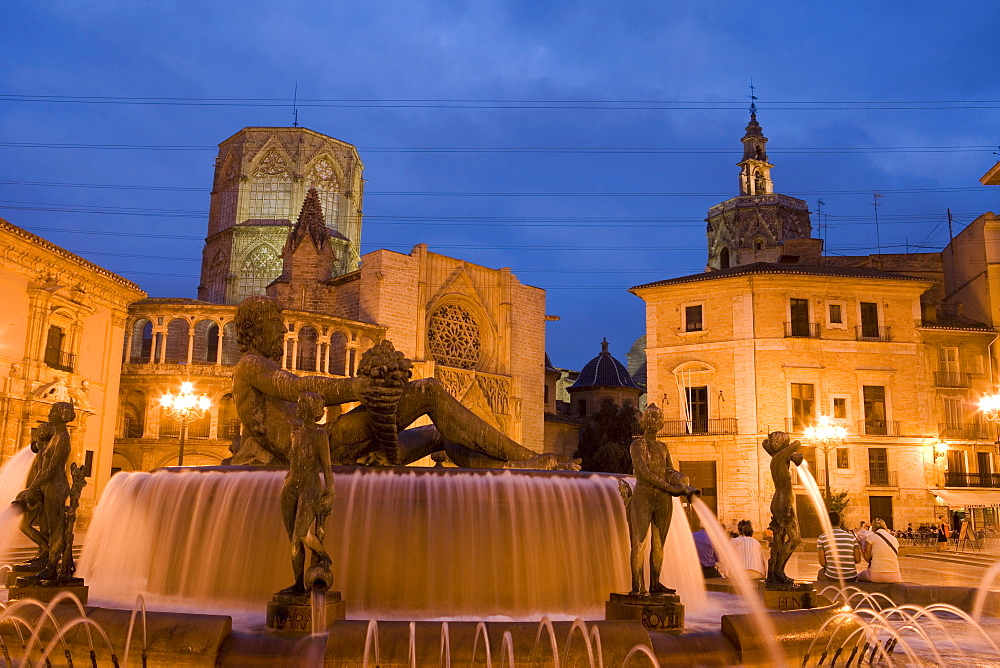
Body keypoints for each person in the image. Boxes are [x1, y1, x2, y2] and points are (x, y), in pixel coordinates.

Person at [231, 295, 576, 470]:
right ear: (256, 326)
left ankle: (512, 467)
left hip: (327, 448)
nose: (281, 329)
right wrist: (358, 387)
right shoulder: (250, 366)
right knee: (427, 391)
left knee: (440, 434)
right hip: (322, 447)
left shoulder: (257, 367)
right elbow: (297, 387)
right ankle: (533, 458)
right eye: (276, 321)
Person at [625, 404, 699, 595]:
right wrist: (672, 489)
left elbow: (669, 470)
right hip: (643, 497)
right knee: (639, 543)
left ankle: (655, 583)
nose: (654, 422)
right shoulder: (637, 445)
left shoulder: (663, 447)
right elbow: (644, 473)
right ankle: (637, 586)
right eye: (650, 418)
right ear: (644, 421)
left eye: (657, 418)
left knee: (659, 544)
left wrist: (684, 482)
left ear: (661, 423)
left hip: (663, 499)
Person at [279, 392, 336, 595]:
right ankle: (298, 584)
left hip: (310, 486)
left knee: (302, 533)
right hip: (290, 486)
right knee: (293, 539)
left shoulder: (320, 435)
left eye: (301, 404)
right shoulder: (295, 433)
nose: (297, 407)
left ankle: (322, 555)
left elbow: (327, 467)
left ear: (311, 409)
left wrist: (330, 491)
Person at [15, 402, 74, 580]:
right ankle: (47, 558)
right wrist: (34, 486)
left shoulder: (63, 437)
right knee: (47, 526)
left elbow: (53, 469)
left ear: (62, 415)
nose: (49, 414)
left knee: (56, 528)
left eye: (53, 412)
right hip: (48, 486)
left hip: (57, 486)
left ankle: (52, 567)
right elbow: (43, 468)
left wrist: (34, 486)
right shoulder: (56, 436)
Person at [816, 510, 861, 582]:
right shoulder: (851, 537)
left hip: (832, 576)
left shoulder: (822, 538)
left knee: (821, 573)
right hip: (851, 576)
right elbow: (858, 560)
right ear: (840, 522)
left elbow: (822, 563)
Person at [858, 518, 901, 583]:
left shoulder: (871, 537)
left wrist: (860, 545)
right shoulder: (894, 539)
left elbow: (867, 558)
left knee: (859, 576)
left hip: (876, 575)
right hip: (895, 576)